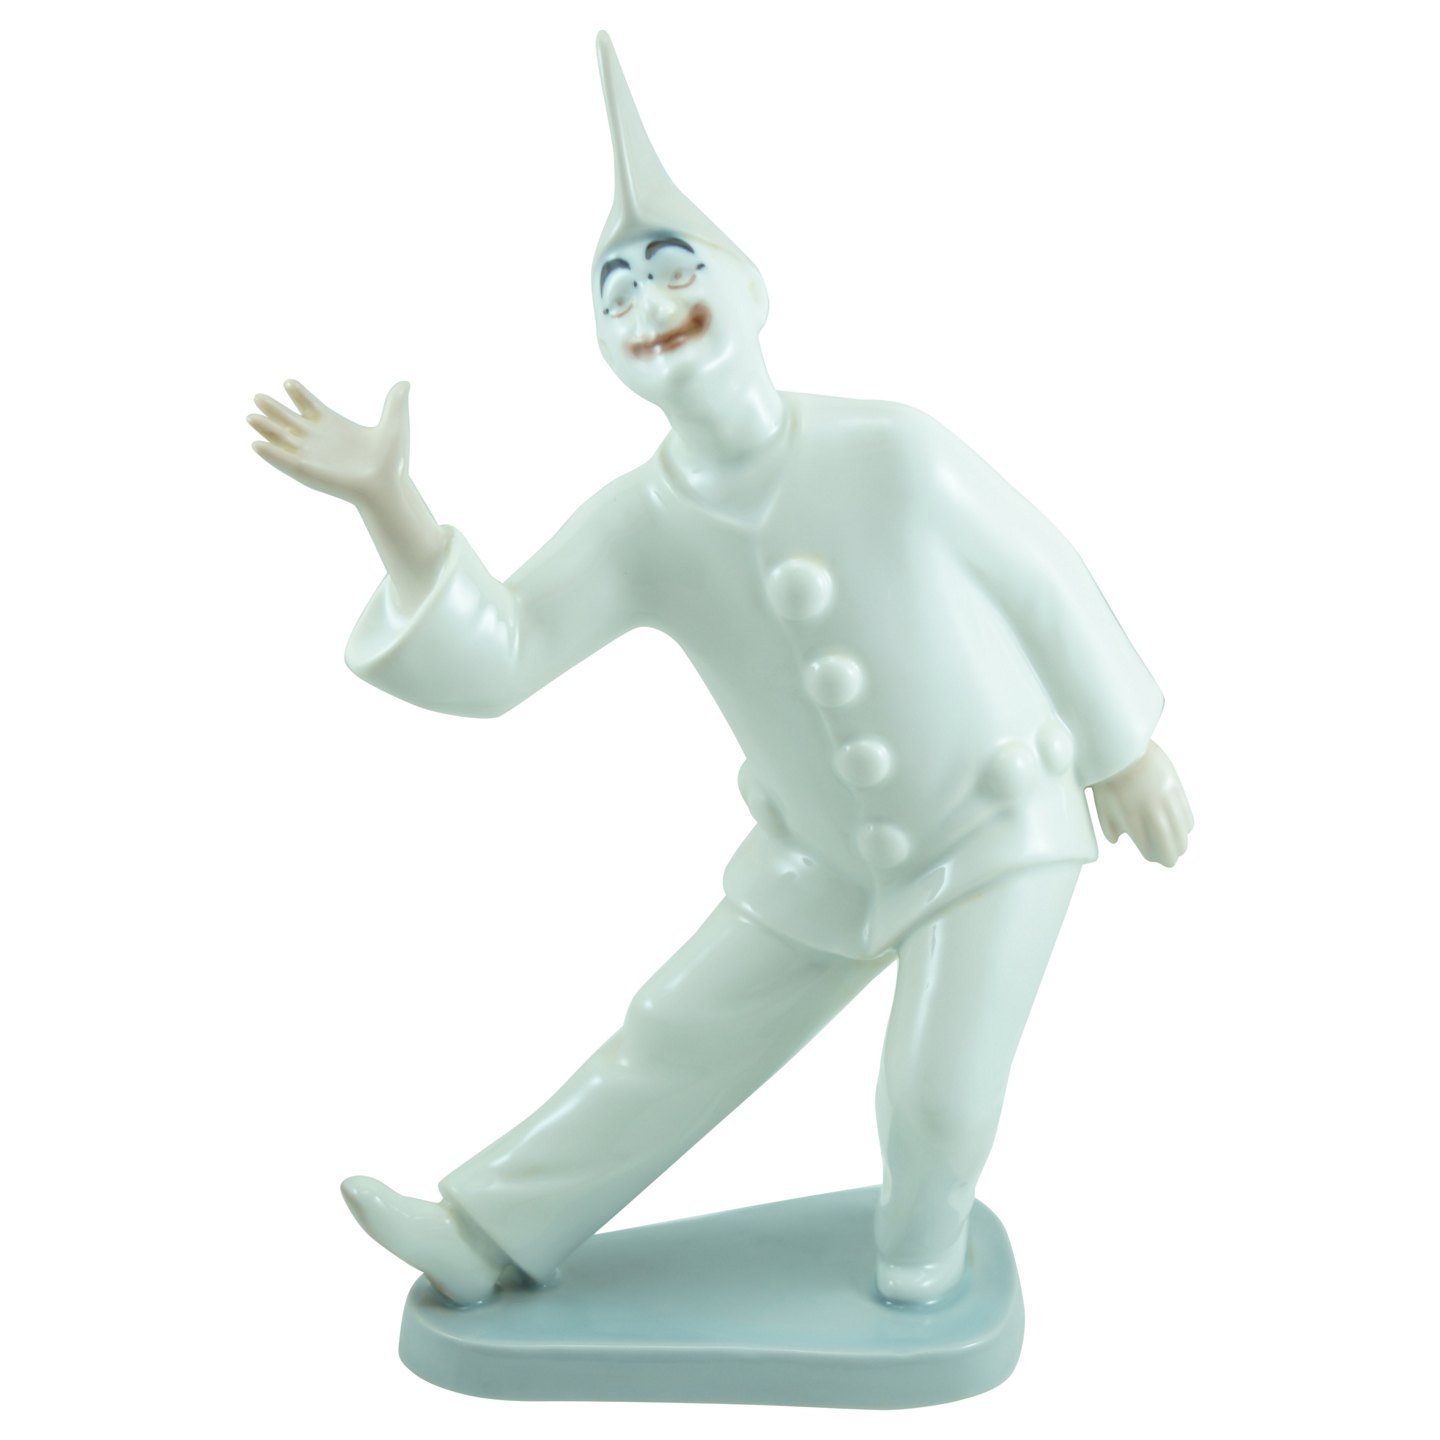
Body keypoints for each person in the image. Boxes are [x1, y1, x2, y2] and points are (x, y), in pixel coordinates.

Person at [249, 33, 1192, 1308]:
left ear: (750, 292)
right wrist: (390, 504)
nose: (646, 302)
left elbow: (1045, 580)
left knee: (934, 1090)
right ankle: (484, 1235)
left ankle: (921, 1273)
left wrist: (1126, 750)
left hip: (996, 819)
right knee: (674, 1030)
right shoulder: (640, 523)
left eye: (672, 268)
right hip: (822, 851)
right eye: (614, 293)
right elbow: (506, 653)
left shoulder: (896, 451)